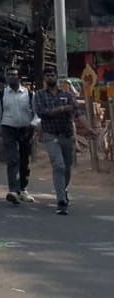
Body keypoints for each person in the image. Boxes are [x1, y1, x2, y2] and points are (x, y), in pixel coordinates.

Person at [35, 67, 93, 215]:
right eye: (47, 75)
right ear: (44, 78)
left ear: (56, 77)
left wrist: (88, 129)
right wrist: (62, 109)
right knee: (59, 165)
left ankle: (63, 190)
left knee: (67, 168)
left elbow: (78, 113)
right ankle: (61, 201)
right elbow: (43, 113)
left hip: (67, 135)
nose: (50, 77)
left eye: (52, 75)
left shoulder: (67, 95)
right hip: (51, 135)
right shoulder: (40, 95)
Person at [0, 66, 38, 205]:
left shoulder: (29, 94)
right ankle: (13, 190)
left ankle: (23, 189)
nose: (11, 77)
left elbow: (37, 114)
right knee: (12, 159)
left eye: (14, 75)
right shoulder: (1, 94)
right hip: (8, 128)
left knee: (24, 160)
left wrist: (33, 125)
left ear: (19, 77)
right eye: (9, 75)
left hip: (25, 130)